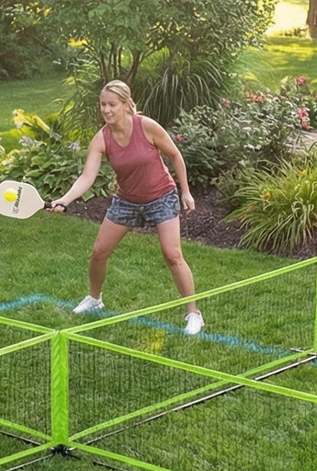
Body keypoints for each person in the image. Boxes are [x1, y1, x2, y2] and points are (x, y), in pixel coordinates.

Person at [50, 81, 204, 334]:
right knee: (99, 252)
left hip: (161, 196)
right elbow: (87, 177)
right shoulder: (101, 139)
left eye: (112, 104)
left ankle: (193, 313)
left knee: (172, 254)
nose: (107, 110)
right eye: (103, 105)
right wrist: (65, 200)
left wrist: (185, 191)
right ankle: (95, 300)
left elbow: (175, 155)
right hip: (127, 201)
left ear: (126, 104)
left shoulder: (147, 127)